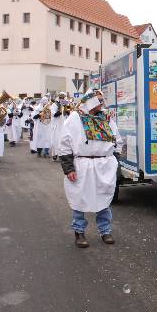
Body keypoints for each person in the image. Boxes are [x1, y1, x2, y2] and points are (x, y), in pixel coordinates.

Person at [58, 89, 119, 248]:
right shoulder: (75, 118)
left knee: (103, 198)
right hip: (82, 166)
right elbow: (64, 145)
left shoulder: (106, 118)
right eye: (98, 100)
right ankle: (79, 232)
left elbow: (117, 139)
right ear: (90, 100)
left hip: (104, 165)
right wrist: (69, 168)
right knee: (79, 199)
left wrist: (114, 161)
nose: (101, 103)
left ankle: (105, 230)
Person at [50, 93, 69, 160]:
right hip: (56, 125)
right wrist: (61, 109)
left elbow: (68, 113)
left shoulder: (65, 104)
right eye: (61, 97)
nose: (62, 98)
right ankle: (55, 154)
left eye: (64, 97)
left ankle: (62, 154)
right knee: (55, 140)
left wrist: (66, 109)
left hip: (63, 125)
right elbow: (54, 114)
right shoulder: (55, 104)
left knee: (63, 140)